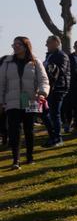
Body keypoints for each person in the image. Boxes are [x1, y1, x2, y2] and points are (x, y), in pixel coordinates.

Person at [0, 37, 49, 169]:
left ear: (26, 46)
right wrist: (1, 101)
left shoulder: (35, 62)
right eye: (13, 44)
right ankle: (15, 160)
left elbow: (43, 80)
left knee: (29, 129)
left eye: (18, 44)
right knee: (14, 130)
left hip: (30, 99)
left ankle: (30, 157)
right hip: (12, 101)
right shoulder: (7, 62)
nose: (15, 47)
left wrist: (42, 93)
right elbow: (1, 83)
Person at [42, 35, 70, 147]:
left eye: (48, 42)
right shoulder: (49, 56)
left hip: (58, 88)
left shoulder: (61, 55)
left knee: (54, 114)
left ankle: (58, 138)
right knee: (45, 113)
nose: (46, 45)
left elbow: (61, 71)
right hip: (49, 88)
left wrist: (50, 68)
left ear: (56, 42)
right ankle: (53, 136)